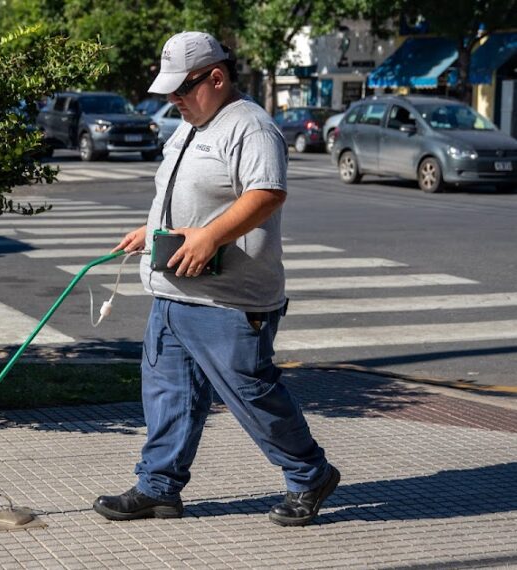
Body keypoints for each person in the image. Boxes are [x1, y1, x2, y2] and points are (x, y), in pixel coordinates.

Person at [93, 31, 340, 527]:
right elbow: (185, 193)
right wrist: (153, 230)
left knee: (252, 393)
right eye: (168, 93)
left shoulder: (251, 127)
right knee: (167, 395)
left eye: (181, 90)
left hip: (229, 299)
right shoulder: (188, 126)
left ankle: (309, 474)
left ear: (216, 77)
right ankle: (158, 487)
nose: (173, 100)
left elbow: (266, 194)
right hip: (173, 291)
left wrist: (209, 237)